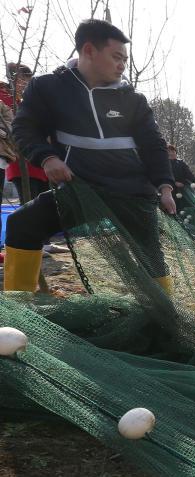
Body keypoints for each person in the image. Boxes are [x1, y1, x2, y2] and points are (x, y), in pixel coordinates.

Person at [2, 19, 176, 294]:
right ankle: (19, 306)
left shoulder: (133, 100)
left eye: (125, 60)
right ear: (89, 50)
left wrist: (165, 186)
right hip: (79, 190)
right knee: (22, 223)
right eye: (116, 57)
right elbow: (24, 129)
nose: (122, 65)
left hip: (132, 194)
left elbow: (153, 145)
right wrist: (47, 158)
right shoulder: (48, 88)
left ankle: (166, 316)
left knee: (151, 257)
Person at [2, 65, 50, 205]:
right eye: (24, 81)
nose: (26, 85)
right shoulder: (5, 98)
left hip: (38, 164)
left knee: (44, 208)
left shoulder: (23, 102)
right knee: (30, 207)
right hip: (21, 163)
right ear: (15, 79)